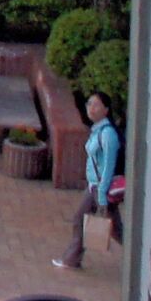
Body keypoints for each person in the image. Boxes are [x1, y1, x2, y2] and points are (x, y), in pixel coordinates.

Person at [57, 93, 122, 271]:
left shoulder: (108, 135)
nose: (91, 109)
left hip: (100, 189)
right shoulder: (97, 130)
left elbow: (109, 166)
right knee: (84, 220)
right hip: (94, 186)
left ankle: (72, 259)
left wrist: (101, 194)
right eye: (89, 104)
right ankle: (72, 259)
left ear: (106, 110)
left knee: (113, 228)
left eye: (96, 105)